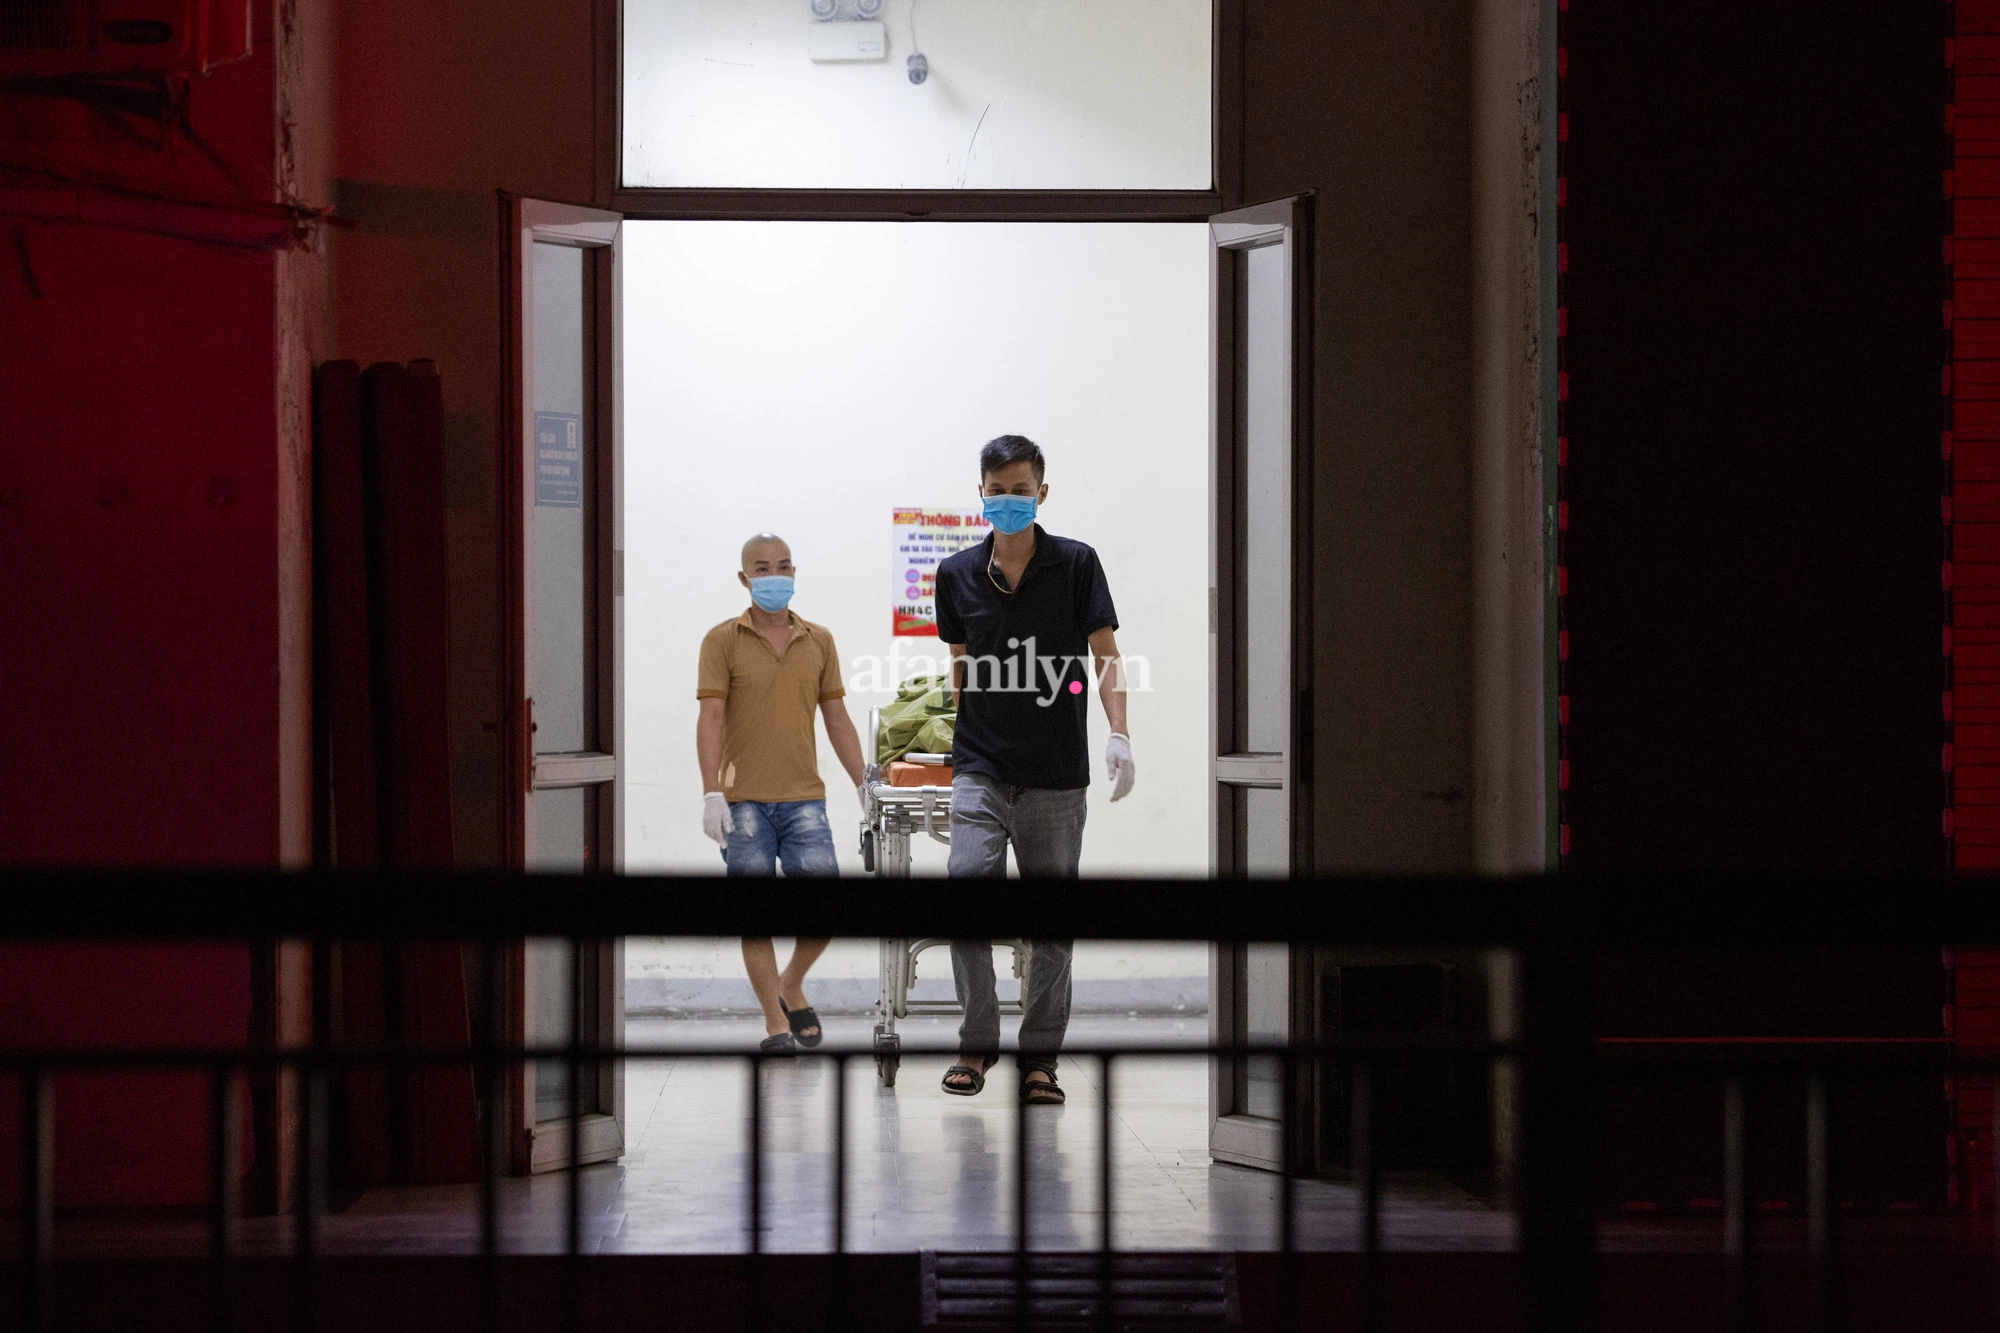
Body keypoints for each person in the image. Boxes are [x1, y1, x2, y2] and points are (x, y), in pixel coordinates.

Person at [932, 435, 1135, 1106]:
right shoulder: (956, 573)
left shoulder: (1076, 563)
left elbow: (1106, 655)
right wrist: (963, 732)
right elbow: (960, 662)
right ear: (981, 493)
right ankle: (976, 1042)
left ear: (1042, 493)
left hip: (1056, 773)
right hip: (981, 767)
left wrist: (1119, 732)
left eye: (1021, 490)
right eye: (998, 490)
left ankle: (1040, 1057)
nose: (1009, 500)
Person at [696, 533, 867, 1054]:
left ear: (795, 573)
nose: (776, 576)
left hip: (803, 800)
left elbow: (836, 718)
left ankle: (790, 984)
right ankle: (775, 1024)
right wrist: (711, 793)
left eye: (784, 566)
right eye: (763, 568)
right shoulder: (722, 640)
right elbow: (711, 718)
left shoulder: (819, 640)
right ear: (744, 578)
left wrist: (865, 784)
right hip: (741, 801)